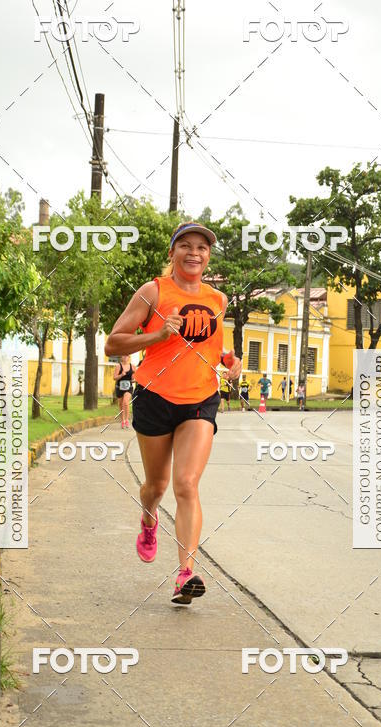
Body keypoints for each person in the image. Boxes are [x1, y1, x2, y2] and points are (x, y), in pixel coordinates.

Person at [104, 221, 242, 604]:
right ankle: (148, 518)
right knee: (157, 486)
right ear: (172, 252)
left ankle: (185, 573)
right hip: (154, 395)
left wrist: (231, 361)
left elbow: (214, 346)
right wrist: (157, 335)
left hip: (200, 398)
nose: (194, 252)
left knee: (186, 483)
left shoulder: (218, 299)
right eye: (186, 245)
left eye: (202, 247)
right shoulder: (153, 292)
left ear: (208, 255)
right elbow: (112, 344)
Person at [113, 354, 135, 428]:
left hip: (129, 387)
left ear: (129, 357)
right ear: (121, 357)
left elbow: (134, 379)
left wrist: (135, 379)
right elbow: (114, 377)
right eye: (123, 356)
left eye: (127, 356)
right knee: (120, 404)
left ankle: (126, 420)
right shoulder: (118, 366)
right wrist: (121, 375)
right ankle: (122, 420)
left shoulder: (132, 367)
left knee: (125, 402)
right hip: (119, 387)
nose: (125, 357)